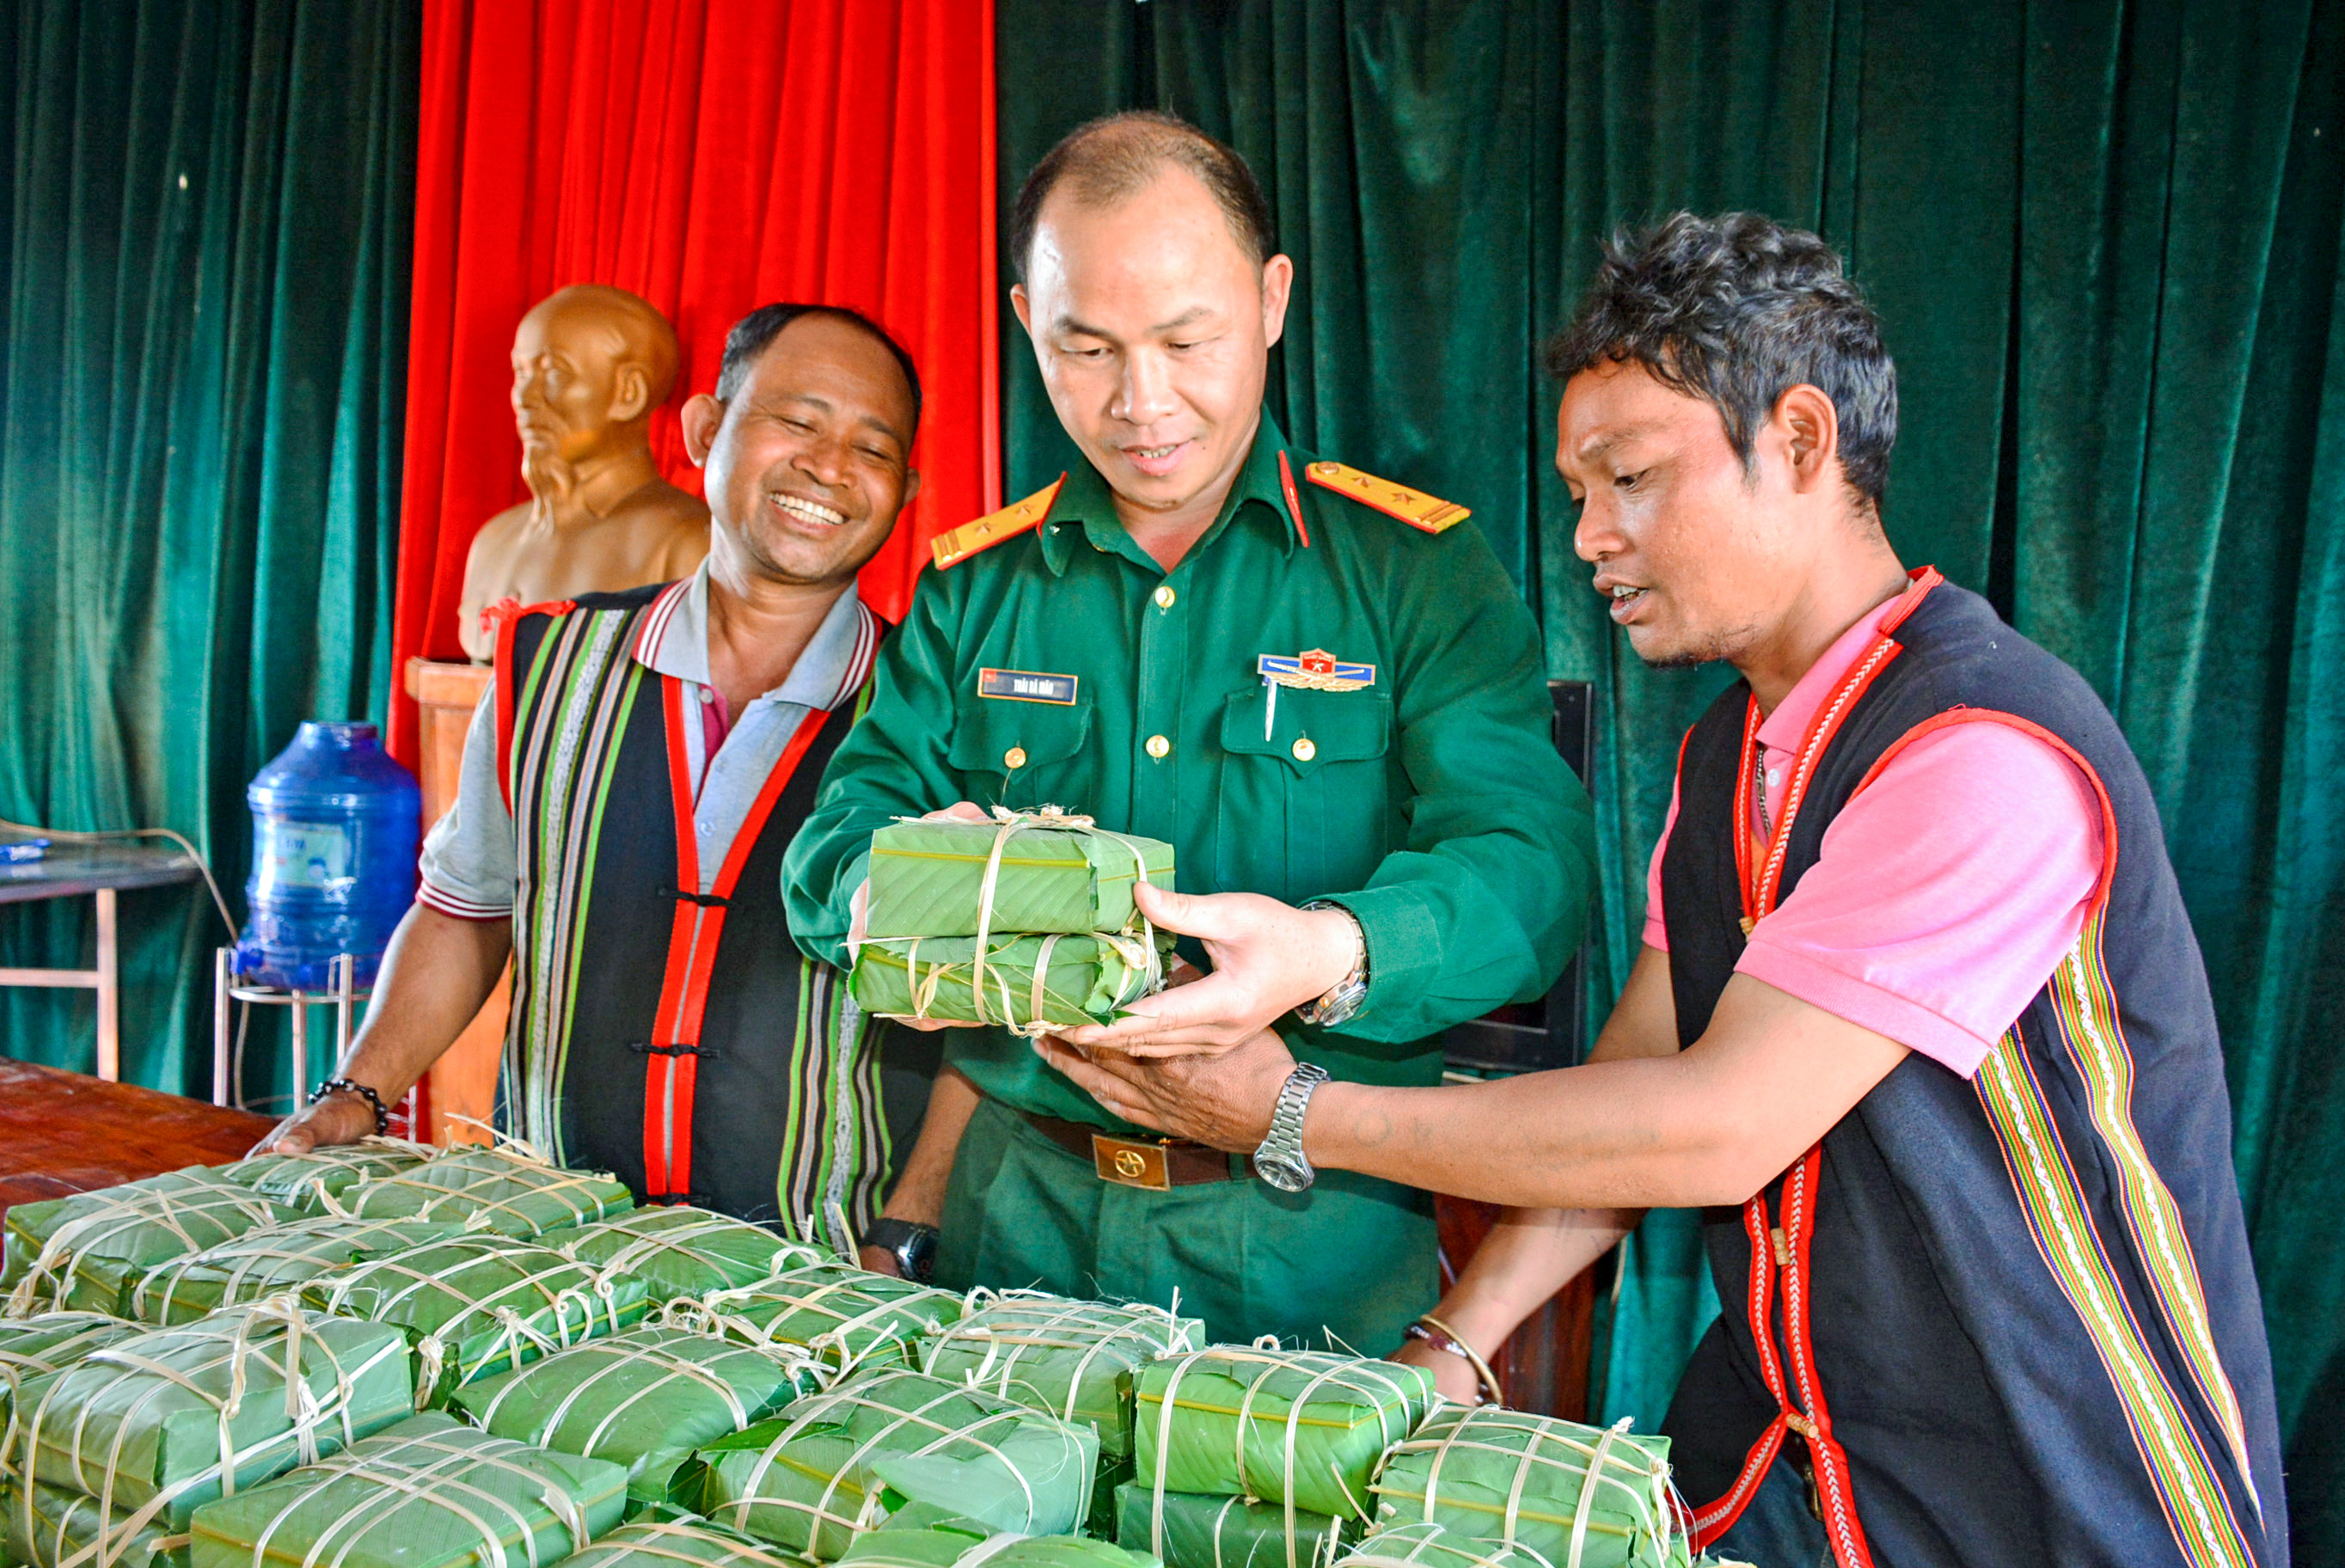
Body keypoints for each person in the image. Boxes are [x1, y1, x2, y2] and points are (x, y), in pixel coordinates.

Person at [1038, 213, 2289, 1568]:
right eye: (1581, 491)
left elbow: (1712, 1129)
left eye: (1630, 478)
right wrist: (1456, 1345)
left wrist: (1291, 1111)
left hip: (2058, 1491)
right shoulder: (1721, 756)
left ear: (1803, 444)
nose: (1591, 537)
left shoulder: (1978, 752)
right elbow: (1628, 1093)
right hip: (1806, 1464)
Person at [784, 112, 1596, 1351]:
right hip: (1018, 1232)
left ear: (1271, 301)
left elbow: (1532, 873)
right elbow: (834, 846)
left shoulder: (1415, 573)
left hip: (1305, 1240)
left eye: (1185, 340)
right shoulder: (973, 588)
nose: (1141, 402)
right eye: (1088, 348)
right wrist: (905, 899)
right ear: (1025, 326)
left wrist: (1333, 951)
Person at [257, 303, 934, 1250]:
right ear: (706, 429)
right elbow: (464, 911)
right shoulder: (548, 661)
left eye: (872, 447)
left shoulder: (931, 716)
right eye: (798, 421)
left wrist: (904, 1235)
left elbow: (977, 1030)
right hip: (549, 1241)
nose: (829, 466)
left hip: (814, 1263)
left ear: (904, 489)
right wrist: (357, 1093)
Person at [456, 284, 710, 662]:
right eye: (520, 372)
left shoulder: (686, 544)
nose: (524, 398)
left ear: (629, 392)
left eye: (554, 371)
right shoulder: (493, 541)